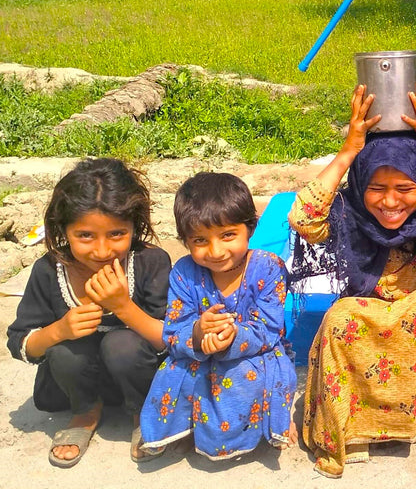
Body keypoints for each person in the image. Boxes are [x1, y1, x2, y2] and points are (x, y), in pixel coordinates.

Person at [288, 82, 416, 478]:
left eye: (405, 188)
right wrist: (349, 150)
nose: (391, 202)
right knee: (340, 320)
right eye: (376, 188)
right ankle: (350, 428)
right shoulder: (349, 214)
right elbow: (303, 218)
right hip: (369, 305)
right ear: (362, 186)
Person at [6, 158, 171, 467]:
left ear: (135, 226)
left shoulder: (151, 262)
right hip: (71, 385)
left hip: (137, 374)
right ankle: (84, 413)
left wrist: (124, 307)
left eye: (117, 234)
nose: (102, 250)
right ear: (61, 230)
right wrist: (59, 331)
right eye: (85, 236)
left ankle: (141, 413)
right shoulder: (49, 271)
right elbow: (19, 342)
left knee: (120, 343)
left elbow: (172, 339)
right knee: (65, 350)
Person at [139, 172, 297, 460]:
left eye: (227, 235)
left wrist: (234, 336)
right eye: (200, 239)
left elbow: (271, 329)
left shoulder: (268, 267)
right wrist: (198, 334)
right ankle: (187, 429)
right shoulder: (185, 273)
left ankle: (266, 424)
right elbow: (174, 330)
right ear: (185, 241)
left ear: (250, 228)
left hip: (257, 353)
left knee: (239, 374)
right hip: (200, 353)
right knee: (174, 372)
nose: (215, 251)